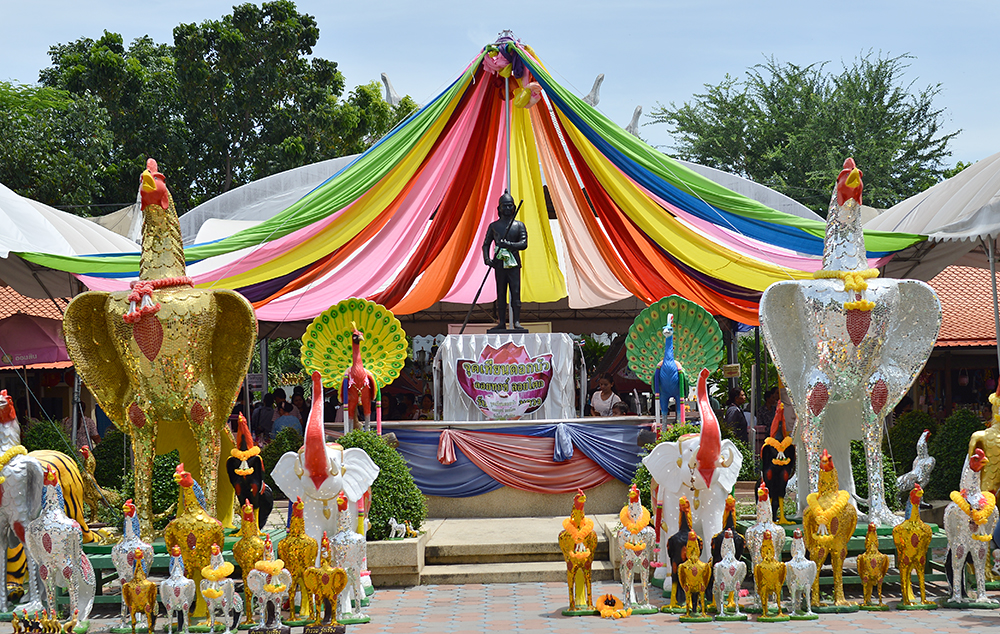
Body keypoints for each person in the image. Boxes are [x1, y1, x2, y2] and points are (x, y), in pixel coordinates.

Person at [482, 190, 528, 330]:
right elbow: (486, 244)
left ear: (514, 207)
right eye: (505, 206)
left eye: (510, 205)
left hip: (514, 264)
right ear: (499, 208)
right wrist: (487, 259)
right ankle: (501, 322)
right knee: (500, 293)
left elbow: (524, 244)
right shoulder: (494, 226)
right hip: (499, 264)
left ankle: (517, 322)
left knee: (515, 292)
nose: (508, 208)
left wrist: (508, 245)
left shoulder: (519, 225)